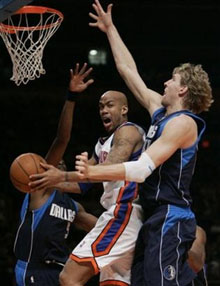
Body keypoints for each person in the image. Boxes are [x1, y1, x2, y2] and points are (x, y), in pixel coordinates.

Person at [72, 1, 213, 285]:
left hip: (170, 214)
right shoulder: (159, 112)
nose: (165, 84)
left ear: (183, 89)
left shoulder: (183, 123)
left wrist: (92, 172)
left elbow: (140, 170)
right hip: (153, 216)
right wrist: (110, 29)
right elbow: (128, 71)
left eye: (171, 80)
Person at [29, 90, 146, 285]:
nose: (103, 110)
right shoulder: (102, 145)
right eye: (100, 106)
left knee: (69, 277)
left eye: (109, 105)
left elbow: (109, 168)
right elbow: (82, 185)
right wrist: (48, 181)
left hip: (124, 212)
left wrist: (61, 175)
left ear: (124, 109)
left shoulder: (128, 131)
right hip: (120, 214)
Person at [13, 63, 97, 286]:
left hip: (60, 271)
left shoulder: (73, 207)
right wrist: (71, 98)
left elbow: (98, 226)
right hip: (33, 270)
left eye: (60, 163)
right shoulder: (40, 189)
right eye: (52, 162)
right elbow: (62, 140)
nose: (55, 163)